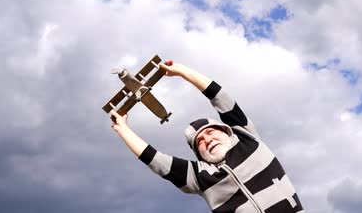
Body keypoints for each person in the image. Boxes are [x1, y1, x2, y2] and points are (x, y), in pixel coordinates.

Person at [109, 61, 305, 213]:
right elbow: (156, 161)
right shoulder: (199, 176)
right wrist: (122, 128)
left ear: (226, 130)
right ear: (199, 154)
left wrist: (183, 71)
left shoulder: (248, 139)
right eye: (199, 142)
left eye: (210, 132)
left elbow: (221, 98)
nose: (207, 140)